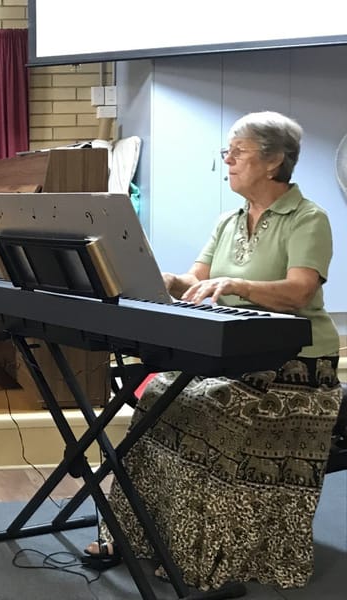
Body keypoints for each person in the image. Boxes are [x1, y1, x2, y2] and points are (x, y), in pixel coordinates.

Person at [85, 111, 342, 590]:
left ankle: (208, 554)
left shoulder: (309, 218)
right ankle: (139, 533)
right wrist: (161, 279)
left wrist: (237, 283)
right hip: (236, 358)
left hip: (297, 369)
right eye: (227, 152)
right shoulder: (229, 220)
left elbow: (299, 292)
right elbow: (196, 280)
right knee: (158, 394)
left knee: (211, 405)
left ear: (274, 161)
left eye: (237, 152)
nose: (227, 160)